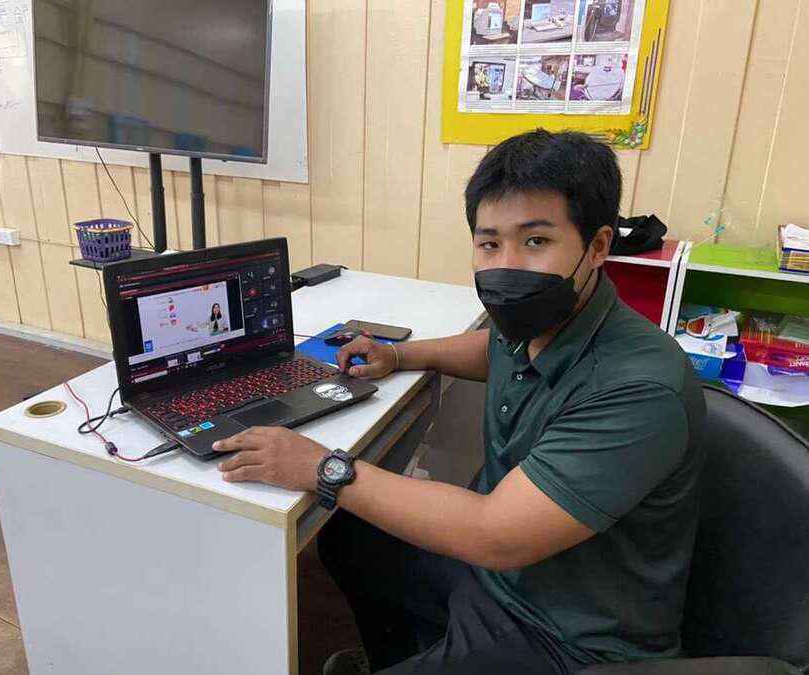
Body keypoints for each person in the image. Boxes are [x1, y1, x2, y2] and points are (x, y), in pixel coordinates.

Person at [211, 130, 706, 674]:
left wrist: (321, 467)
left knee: (345, 496)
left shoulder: (639, 388)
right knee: (351, 536)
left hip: (567, 635)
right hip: (501, 578)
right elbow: (491, 349)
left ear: (598, 246)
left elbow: (495, 535)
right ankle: (398, 655)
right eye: (489, 244)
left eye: (536, 241)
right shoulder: (544, 320)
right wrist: (399, 355)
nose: (507, 265)